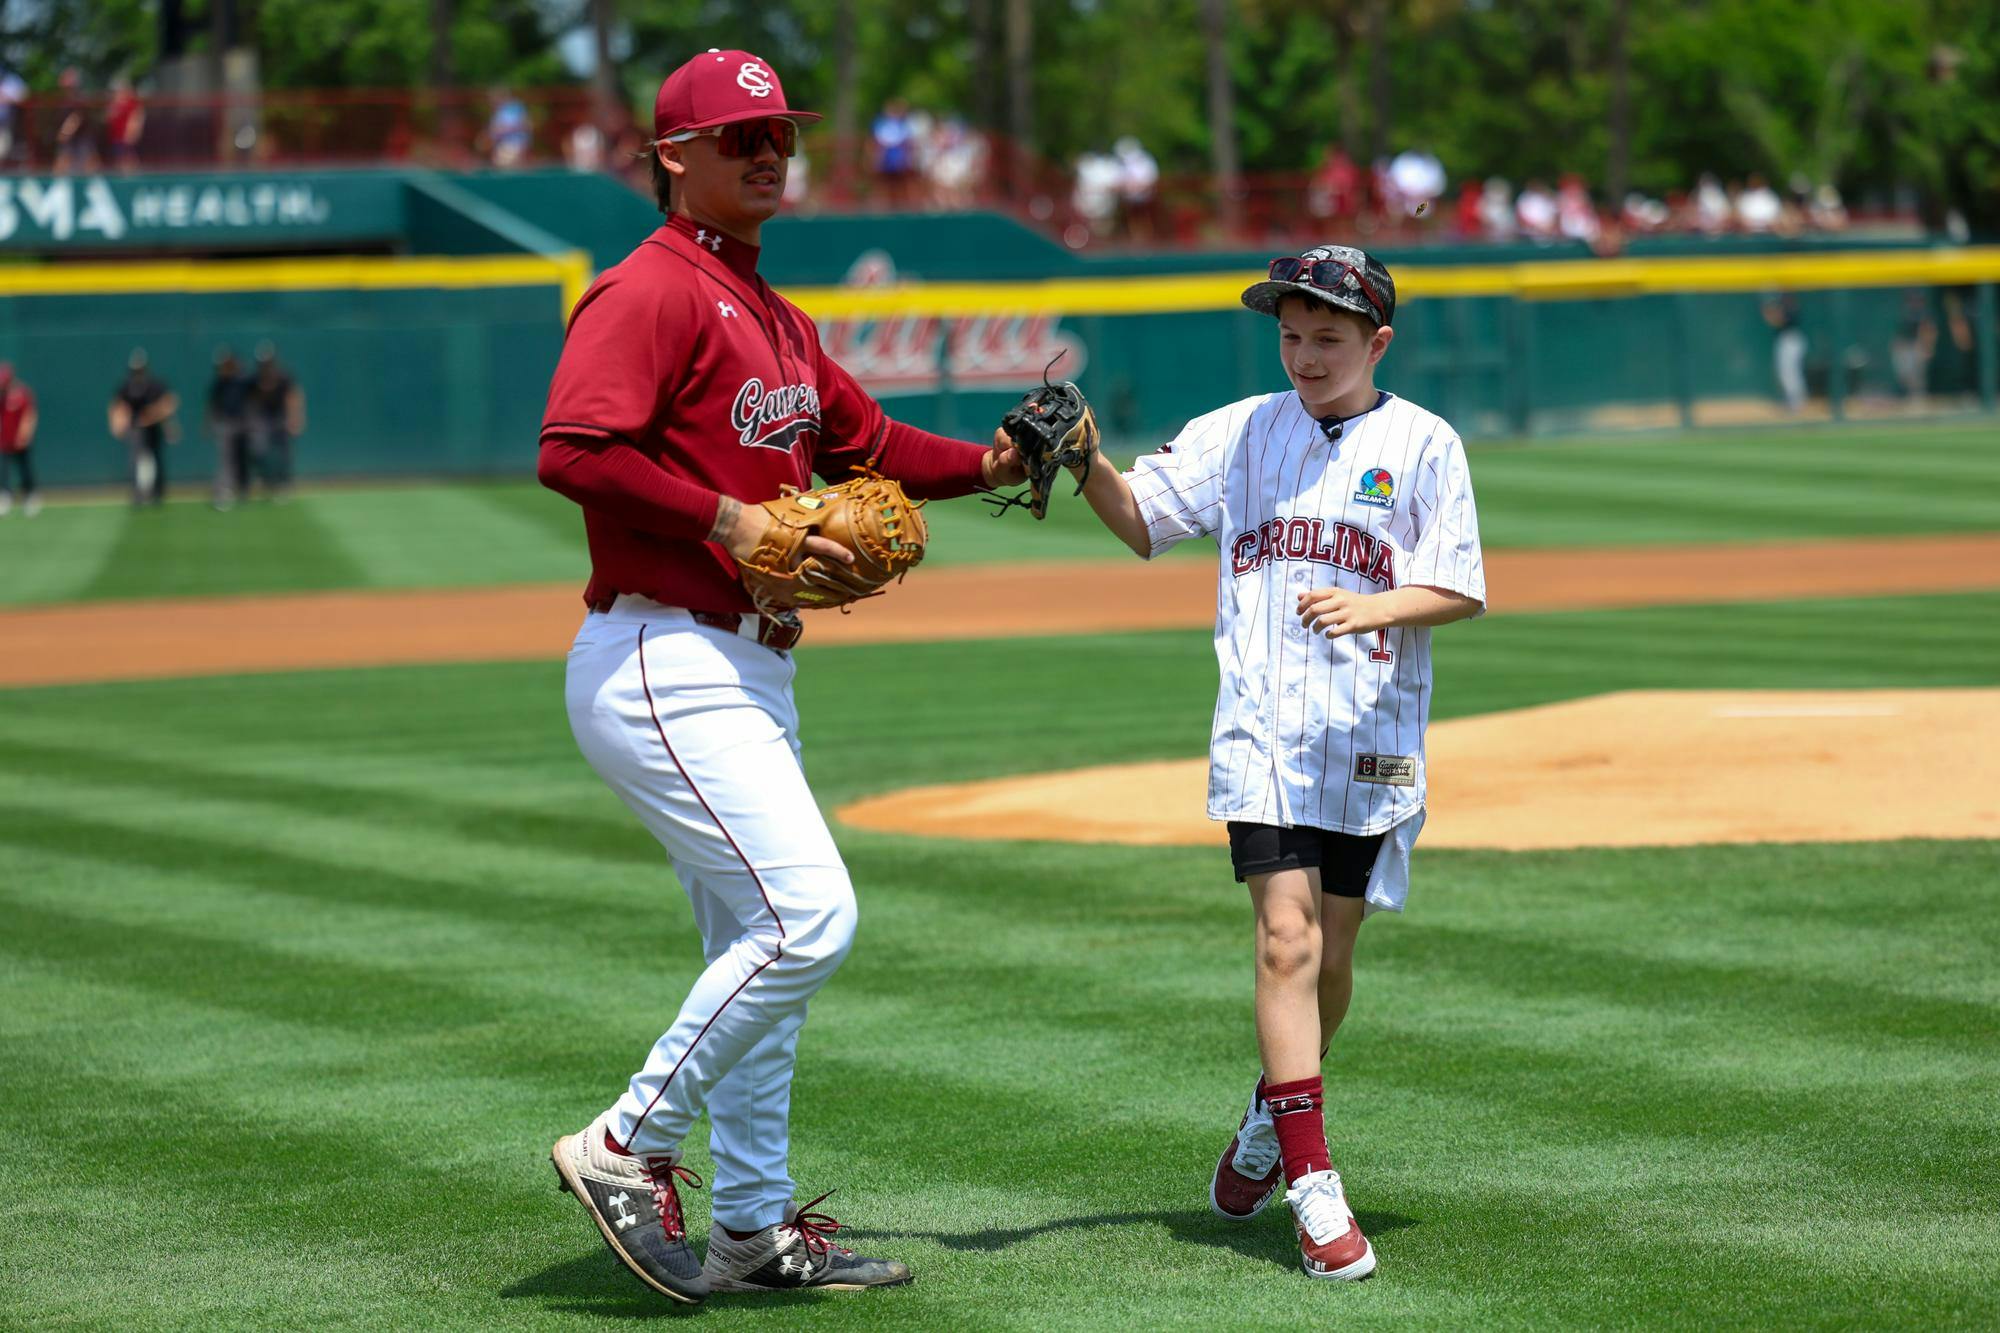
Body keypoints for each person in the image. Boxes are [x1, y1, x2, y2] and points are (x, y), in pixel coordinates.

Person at [537, 48, 1027, 1304]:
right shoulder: (644, 292)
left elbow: (873, 445)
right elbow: (574, 450)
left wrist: (994, 458)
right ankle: (624, 1143)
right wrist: (727, 520)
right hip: (661, 648)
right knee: (810, 916)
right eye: (739, 135)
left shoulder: (775, 315)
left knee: (763, 949)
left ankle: (750, 1231)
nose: (768, 152)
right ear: (673, 157)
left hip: (746, 666)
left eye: (781, 136)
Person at [1055, 245, 1486, 1282]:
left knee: (1330, 957)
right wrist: (1081, 463)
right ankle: (1312, 1186)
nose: (1303, 354)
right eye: (1289, 335)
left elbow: (1460, 585)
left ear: (1375, 342)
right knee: (1283, 943)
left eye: (1327, 339)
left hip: (1374, 737)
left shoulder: (1423, 444)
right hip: (1261, 733)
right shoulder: (1239, 431)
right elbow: (1140, 522)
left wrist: (1374, 603)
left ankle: (1267, 1110)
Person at [109, 350, 177, 505]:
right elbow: (118, 405)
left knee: (157, 460)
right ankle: (136, 494)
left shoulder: (155, 384)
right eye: (134, 370)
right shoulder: (127, 386)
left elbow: (169, 403)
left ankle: (158, 493)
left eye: (140, 369)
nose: (137, 372)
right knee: (134, 460)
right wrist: (116, 423)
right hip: (136, 428)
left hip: (154, 427)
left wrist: (165, 423)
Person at [248, 343, 305, 498]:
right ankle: (266, 480)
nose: (265, 365)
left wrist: (295, 418)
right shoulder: (254, 379)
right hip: (262, 417)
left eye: (268, 362)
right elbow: (251, 402)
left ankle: (284, 483)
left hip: (280, 416)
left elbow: (293, 397)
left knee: (284, 451)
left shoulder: (284, 377)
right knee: (257, 448)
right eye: (262, 363)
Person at [207, 346, 255, 509]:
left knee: (244, 457)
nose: (222, 368)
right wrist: (210, 423)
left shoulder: (244, 379)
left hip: (245, 422)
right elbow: (212, 405)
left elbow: (257, 396)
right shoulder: (219, 383)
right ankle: (223, 491)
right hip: (225, 423)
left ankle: (244, 487)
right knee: (225, 458)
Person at [0, 363, 38, 517]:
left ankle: (29, 497)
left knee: (25, 470)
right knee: (3, 470)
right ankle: (5, 497)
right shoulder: (1, 396)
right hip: (4, 440)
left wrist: (24, 434)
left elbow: (30, 414)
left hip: (20, 441)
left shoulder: (22, 393)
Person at [1890, 290, 1937, 408]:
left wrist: (1928, 346)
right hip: (1904, 346)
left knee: (1917, 375)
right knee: (1904, 375)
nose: (1914, 302)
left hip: (1917, 346)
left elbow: (1930, 330)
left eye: (1917, 300)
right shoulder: (1904, 313)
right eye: (1912, 300)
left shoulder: (1924, 314)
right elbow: (1898, 334)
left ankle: (1918, 400)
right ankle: (1911, 399)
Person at [1763, 292, 1808, 413]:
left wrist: (1770, 314)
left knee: (1791, 373)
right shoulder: (1784, 306)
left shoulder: (1791, 309)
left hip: (1791, 339)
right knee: (1785, 374)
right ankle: (1792, 402)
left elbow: (1778, 320)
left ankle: (1796, 403)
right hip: (1786, 340)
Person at [104, 75, 144, 171]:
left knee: (129, 156)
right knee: (119, 157)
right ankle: (122, 174)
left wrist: (133, 131)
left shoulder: (132, 103)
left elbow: (137, 117)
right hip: (116, 135)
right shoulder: (115, 103)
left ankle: (132, 175)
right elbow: (109, 117)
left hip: (126, 135)